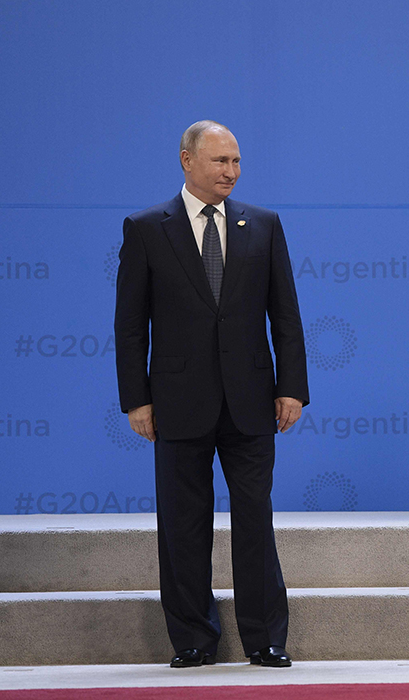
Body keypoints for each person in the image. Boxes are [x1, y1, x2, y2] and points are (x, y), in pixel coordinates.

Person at [115, 120, 309, 667]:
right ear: (186, 160)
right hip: (176, 403)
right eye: (221, 161)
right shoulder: (147, 227)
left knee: (255, 519)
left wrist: (291, 387)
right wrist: (137, 399)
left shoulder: (263, 225)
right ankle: (195, 640)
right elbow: (129, 325)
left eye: (237, 161)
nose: (231, 171)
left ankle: (265, 638)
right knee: (182, 525)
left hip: (252, 400)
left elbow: (285, 315)